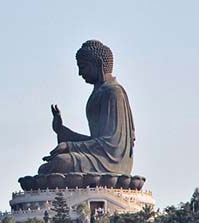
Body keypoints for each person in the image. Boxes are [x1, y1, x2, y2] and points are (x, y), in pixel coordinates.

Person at [38, 40, 135, 176]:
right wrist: (62, 130)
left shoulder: (113, 92)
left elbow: (111, 144)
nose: (79, 73)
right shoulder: (99, 92)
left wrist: (70, 146)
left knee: (60, 163)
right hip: (98, 156)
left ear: (98, 64)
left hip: (111, 162)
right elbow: (95, 140)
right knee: (48, 167)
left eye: (83, 67)